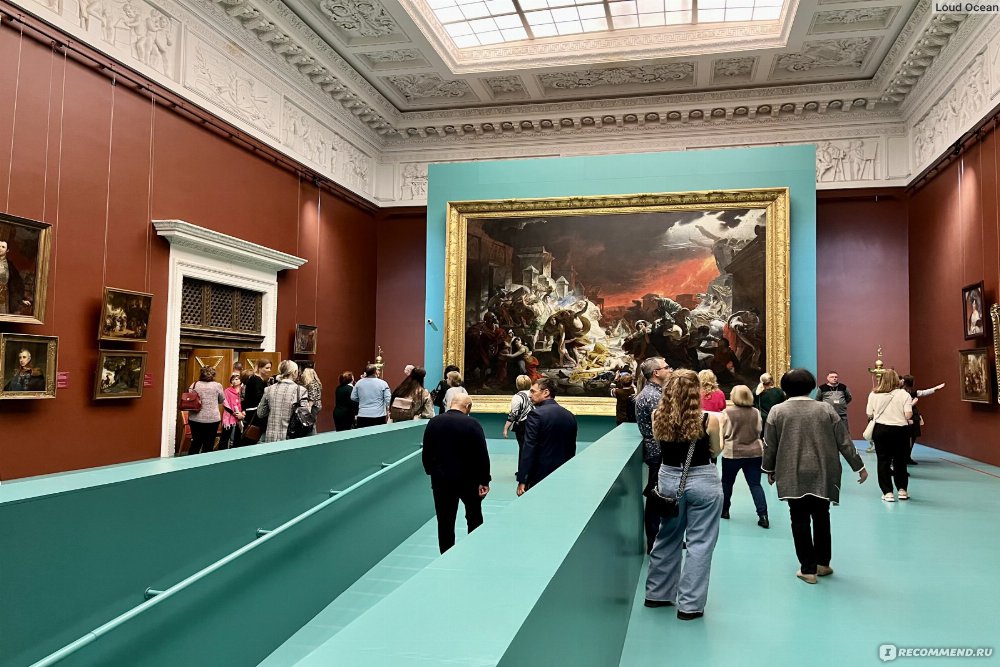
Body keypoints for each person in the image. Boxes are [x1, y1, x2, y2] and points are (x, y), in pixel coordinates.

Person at [762, 368, 867, 584]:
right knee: (822, 516)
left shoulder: (777, 411)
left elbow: (770, 445)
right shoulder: (825, 409)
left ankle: (808, 569)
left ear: (785, 388)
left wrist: (769, 469)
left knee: (798, 518)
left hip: (792, 472)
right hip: (823, 470)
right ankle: (823, 564)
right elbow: (844, 441)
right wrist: (859, 466)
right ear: (811, 387)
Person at [644, 369, 722, 620]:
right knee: (700, 543)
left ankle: (657, 594)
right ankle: (689, 606)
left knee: (667, 536)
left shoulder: (657, 416)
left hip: (668, 479)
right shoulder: (708, 420)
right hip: (703, 480)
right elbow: (716, 451)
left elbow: (660, 444)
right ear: (696, 391)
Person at [422, 393, 491, 554]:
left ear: (451, 403)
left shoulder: (434, 422)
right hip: (469, 480)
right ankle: (474, 549)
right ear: (468, 407)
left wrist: (431, 471)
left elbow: (427, 450)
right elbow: (481, 454)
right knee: (474, 516)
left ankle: (446, 554)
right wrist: (484, 480)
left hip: (441, 480)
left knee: (445, 520)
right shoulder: (472, 424)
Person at [516, 377, 577, 496]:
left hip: (540, 475)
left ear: (546, 392)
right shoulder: (569, 415)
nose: (530, 395)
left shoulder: (536, 415)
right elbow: (571, 448)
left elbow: (529, 447)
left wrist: (522, 478)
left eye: (533, 391)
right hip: (563, 475)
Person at [635, 356, 672, 554]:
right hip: (658, 451)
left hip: (657, 450)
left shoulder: (653, 393)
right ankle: (655, 540)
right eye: (666, 367)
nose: (670, 370)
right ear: (656, 373)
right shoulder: (652, 396)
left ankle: (660, 538)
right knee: (657, 498)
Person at [720, 385, 768, 527]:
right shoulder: (756, 412)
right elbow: (759, 430)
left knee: (727, 483)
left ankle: (724, 511)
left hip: (733, 453)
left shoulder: (727, 413)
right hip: (754, 453)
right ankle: (763, 515)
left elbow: (723, 432)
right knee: (755, 484)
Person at [866, 369, 913, 502]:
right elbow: (908, 414)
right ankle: (902, 490)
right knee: (900, 460)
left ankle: (888, 492)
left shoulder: (874, 394)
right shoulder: (904, 394)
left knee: (883, 461)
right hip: (900, 430)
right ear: (897, 380)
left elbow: (869, 413)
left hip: (881, 429)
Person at [256, 360, 308, 443]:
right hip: (291, 437)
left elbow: (260, 413)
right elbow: (305, 417)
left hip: (271, 437)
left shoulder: (268, 389)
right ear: (294, 372)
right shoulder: (301, 391)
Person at [900, 375, 945, 465]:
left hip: (911, 417)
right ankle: (904, 457)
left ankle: (906, 457)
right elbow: (924, 392)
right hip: (909, 416)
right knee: (908, 439)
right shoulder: (903, 393)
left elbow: (924, 392)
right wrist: (936, 388)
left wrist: (935, 388)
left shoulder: (908, 392)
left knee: (909, 439)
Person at [186, 366, 225, 455]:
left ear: (201, 374)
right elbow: (221, 400)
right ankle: (205, 462)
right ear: (213, 375)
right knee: (209, 443)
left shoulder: (194, 384)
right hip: (212, 419)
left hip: (195, 418)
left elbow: (189, 398)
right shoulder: (217, 386)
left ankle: (191, 462)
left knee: (196, 442)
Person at [502, 375, 533, 471]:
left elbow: (513, 414)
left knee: (522, 447)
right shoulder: (533, 394)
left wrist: (506, 428)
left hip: (522, 425)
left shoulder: (517, 397)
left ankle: (522, 470)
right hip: (534, 422)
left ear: (517, 385)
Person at [240, 359, 272, 442]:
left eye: (270, 368)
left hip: (253, 411)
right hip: (254, 412)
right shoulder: (256, 379)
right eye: (267, 368)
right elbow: (259, 396)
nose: (269, 370)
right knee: (253, 437)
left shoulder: (257, 379)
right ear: (260, 368)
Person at [816, 371, 853, 436]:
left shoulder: (843, 387)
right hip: (828, 415)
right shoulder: (822, 388)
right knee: (828, 433)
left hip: (841, 414)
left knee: (844, 433)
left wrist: (842, 404)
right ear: (828, 378)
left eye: (836, 377)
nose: (834, 378)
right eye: (832, 377)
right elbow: (817, 400)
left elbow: (849, 398)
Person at [0, 240, 31, 315]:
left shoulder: (10, 266)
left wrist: (21, 299)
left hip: (3, 298)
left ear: (7, 250)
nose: (0, 248)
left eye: (3, 247)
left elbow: (16, 284)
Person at [220, 372, 245, 449]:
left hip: (241, 416)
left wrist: (242, 413)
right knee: (225, 437)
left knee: (238, 437)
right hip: (229, 416)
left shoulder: (243, 390)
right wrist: (232, 412)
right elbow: (225, 402)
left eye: (237, 379)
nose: (234, 381)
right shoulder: (227, 391)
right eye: (233, 379)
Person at [299, 368, 323, 434]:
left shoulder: (312, 384)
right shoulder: (315, 383)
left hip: (313, 406)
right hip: (317, 405)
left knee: (311, 424)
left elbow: (312, 398)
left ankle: (312, 436)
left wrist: (308, 408)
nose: (302, 375)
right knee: (312, 423)